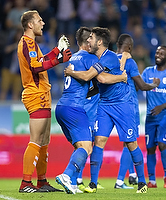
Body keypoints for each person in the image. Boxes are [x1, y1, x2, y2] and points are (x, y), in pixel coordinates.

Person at [64, 27, 148, 194]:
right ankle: (93, 184)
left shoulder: (108, 57)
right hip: (104, 104)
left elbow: (100, 78)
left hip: (122, 104)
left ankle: (142, 183)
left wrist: (72, 72)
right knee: (99, 142)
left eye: (92, 38)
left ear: (99, 42)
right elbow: (99, 82)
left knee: (131, 143)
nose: (89, 40)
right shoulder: (94, 57)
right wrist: (121, 76)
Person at [55, 26, 127, 194]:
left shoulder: (73, 58)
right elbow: (98, 78)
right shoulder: (88, 58)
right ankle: (66, 175)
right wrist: (122, 77)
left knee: (79, 146)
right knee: (87, 148)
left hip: (61, 107)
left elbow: (89, 86)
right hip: (75, 108)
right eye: (90, 39)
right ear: (87, 43)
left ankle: (72, 183)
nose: (90, 42)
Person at [17, 10, 72, 193]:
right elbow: (36, 66)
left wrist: (57, 51)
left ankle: (41, 181)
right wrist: (58, 59)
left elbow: (40, 60)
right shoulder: (27, 43)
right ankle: (26, 183)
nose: (43, 23)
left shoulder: (32, 44)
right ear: (30, 24)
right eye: (40, 21)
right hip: (35, 93)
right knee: (35, 139)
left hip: (43, 93)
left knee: (44, 140)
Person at [114, 33, 160, 189]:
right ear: (129, 47)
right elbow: (141, 86)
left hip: (112, 105)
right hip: (129, 106)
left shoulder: (110, 59)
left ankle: (131, 175)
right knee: (130, 142)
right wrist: (154, 85)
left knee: (124, 142)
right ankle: (120, 181)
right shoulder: (131, 62)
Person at [142, 45, 166, 188]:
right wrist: (151, 84)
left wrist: (162, 107)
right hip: (150, 116)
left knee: (162, 144)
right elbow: (139, 86)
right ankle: (152, 181)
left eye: (162, 53)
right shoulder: (147, 72)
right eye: (157, 52)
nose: (158, 55)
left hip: (165, 114)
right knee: (150, 148)